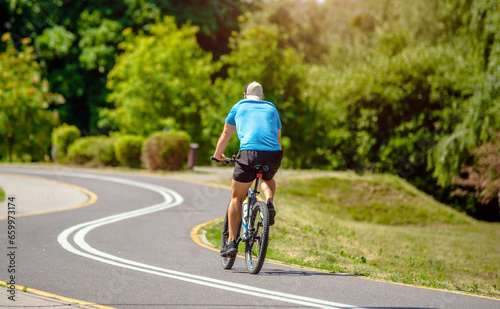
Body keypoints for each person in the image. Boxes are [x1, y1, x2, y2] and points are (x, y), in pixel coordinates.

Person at [213, 81, 283, 257]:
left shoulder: (239, 106)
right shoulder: (272, 108)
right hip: (273, 153)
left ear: (244, 95)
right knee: (267, 178)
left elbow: (226, 134)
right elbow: (277, 137)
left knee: (236, 198)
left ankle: (230, 243)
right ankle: (269, 203)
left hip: (249, 153)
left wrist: (218, 155)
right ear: (262, 97)